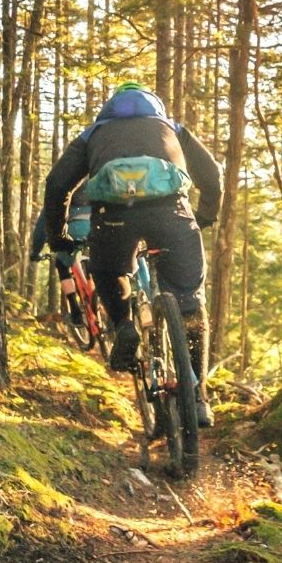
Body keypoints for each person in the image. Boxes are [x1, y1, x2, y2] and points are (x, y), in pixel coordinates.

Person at [42, 82, 222, 426]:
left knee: (109, 272)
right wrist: (205, 217)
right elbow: (211, 174)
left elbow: (56, 185)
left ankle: (124, 325)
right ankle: (198, 398)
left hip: (113, 218)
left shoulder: (93, 134)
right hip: (171, 214)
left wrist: (60, 239)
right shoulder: (172, 128)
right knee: (190, 305)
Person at [29, 184, 91, 326]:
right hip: (97, 228)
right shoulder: (93, 179)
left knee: (61, 265)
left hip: (73, 230)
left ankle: (75, 311)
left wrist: (36, 252)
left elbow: (41, 226)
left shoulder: (60, 186)